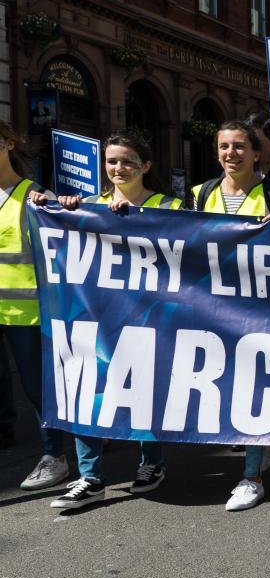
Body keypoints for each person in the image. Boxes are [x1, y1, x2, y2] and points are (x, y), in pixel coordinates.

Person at [39, 133, 183, 509]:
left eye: (128, 161)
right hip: (91, 316)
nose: (119, 168)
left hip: (147, 317)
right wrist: (56, 206)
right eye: (112, 161)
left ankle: (151, 462)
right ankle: (91, 476)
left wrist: (139, 220)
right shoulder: (89, 205)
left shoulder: (168, 204)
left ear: (146, 166)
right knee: (84, 386)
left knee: (142, 388)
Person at [188, 121, 270, 511]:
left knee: (252, 386)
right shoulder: (200, 193)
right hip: (214, 308)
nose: (230, 153)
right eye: (223, 147)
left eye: (239, 147)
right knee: (227, 387)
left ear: (256, 153)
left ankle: (252, 476)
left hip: (264, 309)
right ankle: (260, 446)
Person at [0, 122, 70, 492]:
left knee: (36, 388)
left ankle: (54, 455)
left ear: (9, 143)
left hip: (26, 311)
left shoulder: (34, 196)